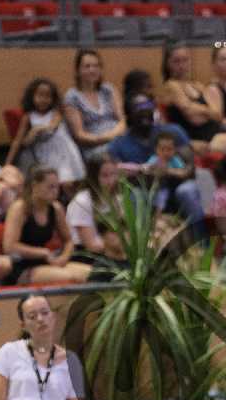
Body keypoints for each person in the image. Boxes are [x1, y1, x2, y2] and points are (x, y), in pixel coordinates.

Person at [109, 93, 205, 237]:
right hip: (144, 190)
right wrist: (143, 174)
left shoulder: (173, 131)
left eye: (148, 107)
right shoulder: (119, 144)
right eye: (138, 109)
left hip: (177, 186)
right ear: (128, 114)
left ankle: (202, 243)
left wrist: (168, 171)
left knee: (187, 191)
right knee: (135, 196)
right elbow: (116, 176)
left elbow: (190, 168)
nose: (144, 112)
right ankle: (143, 245)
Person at [2, 167, 92, 285]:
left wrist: (63, 258)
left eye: (57, 187)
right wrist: (42, 252)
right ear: (35, 186)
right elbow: (9, 246)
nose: (55, 192)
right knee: (69, 277)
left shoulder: (56, 208)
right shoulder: (20, 208)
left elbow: (68, 241)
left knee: (93, 273)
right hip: (22, 265)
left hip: (47, 261)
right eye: (50, 187)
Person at [6, 78, 86, 189]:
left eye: (48, 96)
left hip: (63, 153)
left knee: (68, 181)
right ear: (32, 96)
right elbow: (19, 141)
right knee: (53, 181)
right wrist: (8, 164)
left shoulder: (56, 113)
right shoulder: (28, 117)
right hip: (45, 155)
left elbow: (52, 127)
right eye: (40, 95)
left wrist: (37, 129)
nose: (43, 100)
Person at [66, 154, 129, 271]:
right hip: (86, 255)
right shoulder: (82, 201)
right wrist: (118, 246)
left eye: (113, 174)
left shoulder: (118, 199)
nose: (110, 181)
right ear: (94, 177)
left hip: (113, 251)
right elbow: (91, 245)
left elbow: (125, 231)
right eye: (104, 176)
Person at [63, 48, 126, 163]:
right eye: (87, 66)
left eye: (96, 66)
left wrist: (115, 135)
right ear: (77, 70)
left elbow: (123, 120)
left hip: (118, 139)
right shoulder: (72, 97)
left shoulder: (108, 89)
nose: (92, 70)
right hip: (95, 147)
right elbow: (79, 135)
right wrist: (106, 138)